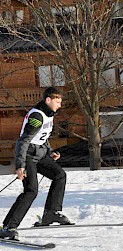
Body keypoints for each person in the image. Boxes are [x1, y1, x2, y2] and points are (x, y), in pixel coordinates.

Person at [0, 87, 72, 240]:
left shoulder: (48, 114)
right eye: (57, 101)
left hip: (39, 154)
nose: (59, 105)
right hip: (27, 156)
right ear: (48, 100)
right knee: (31, 190)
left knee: (59, 175)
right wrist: (20, 165)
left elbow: (42, 137)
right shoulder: (37, 116)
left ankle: (51, 213)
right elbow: (23, 140)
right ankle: (8, 227)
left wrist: (50, 150)